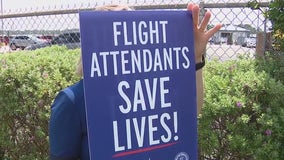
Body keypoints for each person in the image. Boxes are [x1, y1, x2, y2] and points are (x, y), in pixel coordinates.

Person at [49, 3, 221, 160]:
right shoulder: (73, 100)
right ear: (96, 43)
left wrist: (196, 58)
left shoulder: (152, 87)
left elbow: (193, 111)